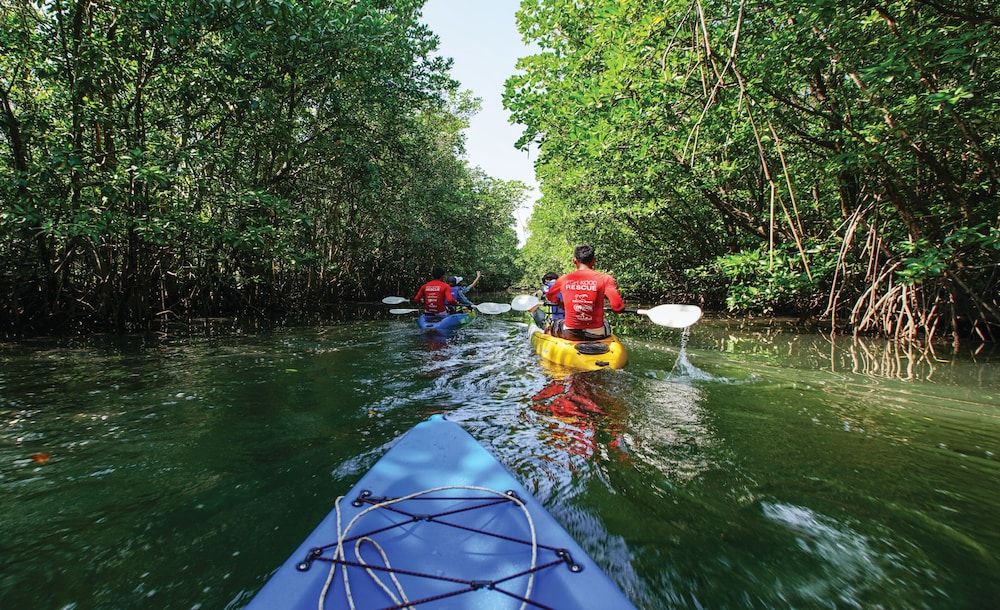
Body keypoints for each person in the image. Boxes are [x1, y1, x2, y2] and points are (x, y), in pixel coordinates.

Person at [545, 244, 624, 340]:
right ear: (594, 260)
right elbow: (618, 307)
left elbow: (550, 296)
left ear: (574, 260)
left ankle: (548, 336)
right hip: (596, 333)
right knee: (606, 322)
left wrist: (559, 303)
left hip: (570, 332)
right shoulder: (606, 279)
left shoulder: (564, 279)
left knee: (554, 324)